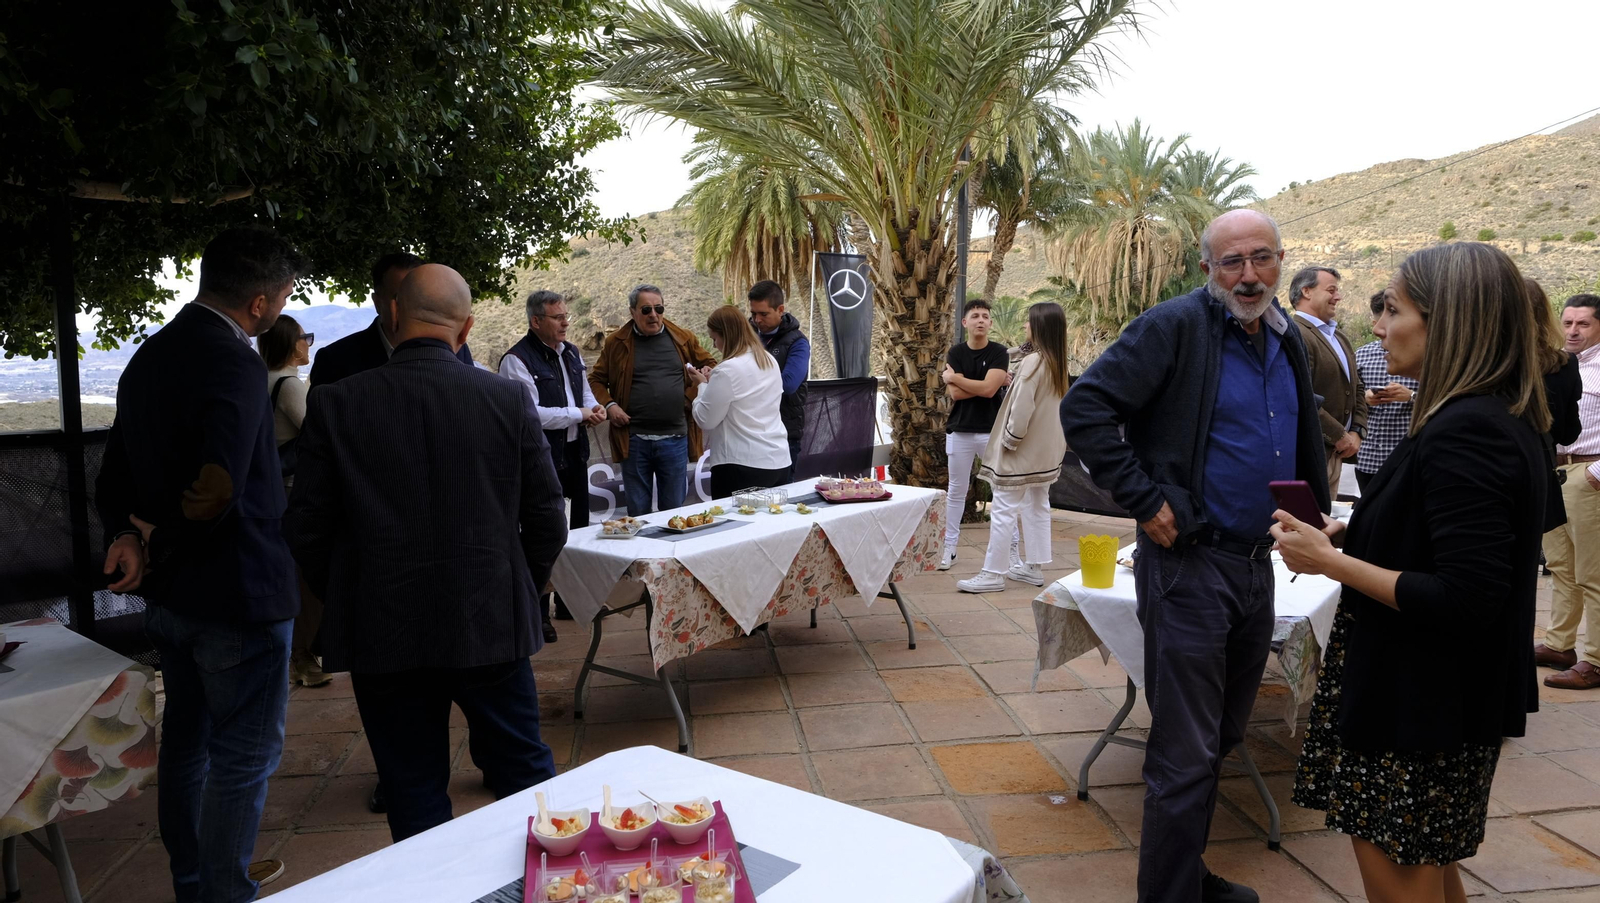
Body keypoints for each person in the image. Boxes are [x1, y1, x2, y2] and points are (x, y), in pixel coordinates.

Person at [1061, 209, 1329, 903]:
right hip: (1189, 566)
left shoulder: (1286, 335)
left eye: (1261, 258)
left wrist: (1310, 517)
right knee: (1184, 752)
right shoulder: (1175, 326)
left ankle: (1189, 876)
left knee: (1223, 734)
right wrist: (1145, 500)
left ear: (1280, 260)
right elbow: (1086, 407)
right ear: (1207, 267)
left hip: (1253, 563)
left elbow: (1295, 437)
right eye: (1231, 261)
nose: (1248, 275)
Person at [1275, 242, 1549, 903]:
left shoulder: (1466, 430)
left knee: (1404, 874)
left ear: (1446, 320)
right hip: (1434, 701)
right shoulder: (1491, 415)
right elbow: (1453, 540)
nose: (1378, 325)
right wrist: (1363, 532)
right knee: (1430, 869)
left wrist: (1330, 561)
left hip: (1420, 706)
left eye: (1394, 309)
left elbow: (1466, 594)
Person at [285, 264, 566, 843]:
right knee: (525, 777)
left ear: (391, 316)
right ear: (466, 328)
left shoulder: (336, 403)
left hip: (384, 630)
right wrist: (516, 583)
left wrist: (355, 590)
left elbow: (307, 529)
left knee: (412, 792)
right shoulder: (506, 399)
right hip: (489, 617)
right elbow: (547, 518)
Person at [97, 227, 308, 902]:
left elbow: (115, 469)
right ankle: (223, 891)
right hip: (236, 591)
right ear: (259, 303)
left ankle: (193, 880)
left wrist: (125, 534)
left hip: (172, 596)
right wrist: (161, 539)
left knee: (186, 742)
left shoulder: (150, 355)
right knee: (244, 754)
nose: (282, 307)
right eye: (283, 296)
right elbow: (219, 488)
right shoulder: (234, 360)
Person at [499, 290, 604, 643]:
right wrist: (580, 414)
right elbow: (530, 416)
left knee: (578, 532)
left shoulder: (571, 352)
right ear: (536, 321)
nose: (565, 323)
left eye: (565, 317)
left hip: (575, 455)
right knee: (544, 537)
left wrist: (595, 408)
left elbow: (584, 391)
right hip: (541, 461)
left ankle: (571, 603)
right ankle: (537, 613)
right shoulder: (517, 360)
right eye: (557, 318)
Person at [955, 302, 1069, 593]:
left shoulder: (1033, 363)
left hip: (1022, 450)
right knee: (1037, 505)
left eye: (1029, 323)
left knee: (1004, 506)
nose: (1025, 327)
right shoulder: (1056, 361)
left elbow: (1021, 410)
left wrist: (1009, 441)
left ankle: (993, 572)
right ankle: (1033, 566)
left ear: (1040, 327)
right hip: (1047, 452)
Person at [589, 284, 718, 515]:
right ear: (632, 312)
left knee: (674, 512)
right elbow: (596, 379)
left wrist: (689, 397)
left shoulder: (683, 338)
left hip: (675, 439)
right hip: (634, 440)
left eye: (659, 308)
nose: (654, 315)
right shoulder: (616, 342)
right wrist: (610, 406)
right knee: (638, 513)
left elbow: (711, 366)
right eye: (646, 310)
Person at [258, 314, 331, 687]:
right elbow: (318, 433)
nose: (309, 343)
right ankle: (303, 655)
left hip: (272, 492)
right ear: (290, 343)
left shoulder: (259, 379)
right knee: (307, 575)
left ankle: (296, 654)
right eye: (305, 337)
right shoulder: (289, 385)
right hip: (295, 491)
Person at [1537, 292, 1600, 687]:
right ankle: (1561, 644)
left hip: (1588, 476)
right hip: (1555, 473)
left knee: (1594, 574)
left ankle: (1596, 659)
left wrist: (1598, 473)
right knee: (1561, 568)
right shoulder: (1559, 363)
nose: (1573, 331)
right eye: (1568, 322)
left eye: (1584, 324)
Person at [308, 252, 473, 387]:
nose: (413, 306)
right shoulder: (335, 360)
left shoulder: (456, 350)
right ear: (377, 302)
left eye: (419, 296)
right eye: (401, 297)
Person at [939, 299, 1017, 572]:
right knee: (956, 492)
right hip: (959, 431)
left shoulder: (998, 352)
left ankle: (1013, 550)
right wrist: (984, 384)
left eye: (985, 316)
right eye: (975, 316)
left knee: (1002, 491)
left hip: (991, 432)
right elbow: (958, 395)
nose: (981, 320)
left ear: (991, 323)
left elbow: (987, 391)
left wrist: (954, 378)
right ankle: (949, 548)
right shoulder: (956, 352)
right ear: (965, 322)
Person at [689, 306, 791, 497]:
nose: (714, 345)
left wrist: (702, 386)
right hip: (778, 460)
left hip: (740, 465)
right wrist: (714, 383)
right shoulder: (769, 360)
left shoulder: (727, 370)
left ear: (726, 336)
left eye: (714, 339)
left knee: (734, 526)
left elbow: (705, 419)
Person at [1290, 266, 1367, 492]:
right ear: (1307, 291)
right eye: (1331, 290)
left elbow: (1357, 388)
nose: (1339, 297)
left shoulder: (1339, 337)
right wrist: (1338, 434)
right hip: (1311, 454)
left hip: (1337, 452)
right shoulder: (1295, 334)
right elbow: (1299, 394)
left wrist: (1358, 432)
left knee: (1324, 522)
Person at [1352, 289, 1419, 495]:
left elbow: (1447, 401)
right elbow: (1348, 401)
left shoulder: (1424, 356)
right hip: (1368, 459)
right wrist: (1365, 400)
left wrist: (1411, 396)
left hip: (1408, 458)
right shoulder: (1361, 356)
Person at [748, 281, 810, 479]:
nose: (757, 320)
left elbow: (789, 384)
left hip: (784, 434)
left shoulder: (798, 342)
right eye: (753, 313)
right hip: (750, 433)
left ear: (780, 310)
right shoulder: (747, 337)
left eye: (763, 314)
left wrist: (747, 381)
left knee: (780, 499)